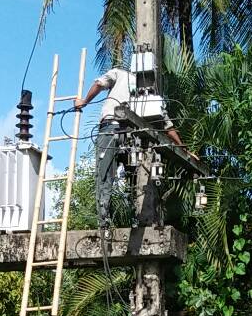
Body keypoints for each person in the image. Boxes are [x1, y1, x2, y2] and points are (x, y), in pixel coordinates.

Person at [74, 67, 183, 226]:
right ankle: (136, 218)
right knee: (134, 178)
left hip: (111, 129)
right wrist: (183, 147)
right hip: (133, 139)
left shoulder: (120, 73)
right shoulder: (153, 96)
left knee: (104, 175)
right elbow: (167, 126)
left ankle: (104, 223)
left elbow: (99, 83)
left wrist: (83, 101)